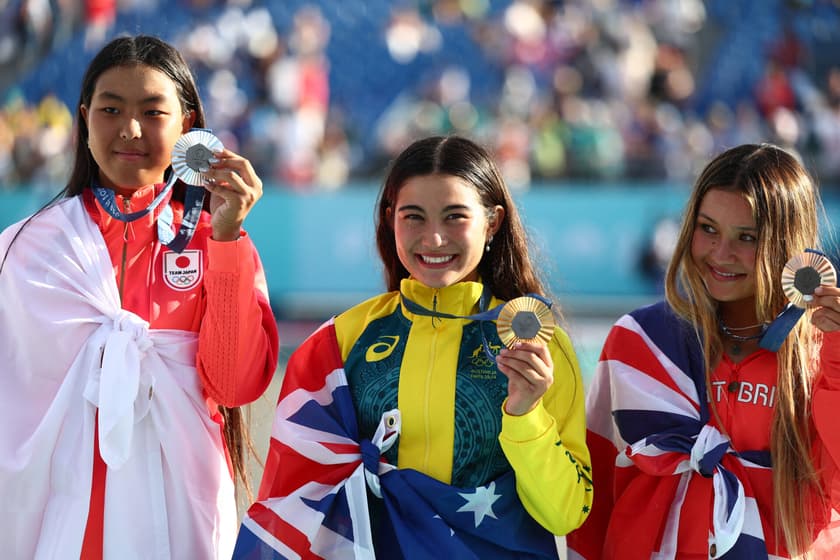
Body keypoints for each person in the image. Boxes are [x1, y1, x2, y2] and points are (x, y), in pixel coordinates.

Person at [234, 135, 593, 558]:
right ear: (391, 220)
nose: (434, 238)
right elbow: (295, 497)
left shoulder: (537, 344)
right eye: (414, 217)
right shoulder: (340, 342)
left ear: (492, 221)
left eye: (455, 217)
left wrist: (525, 414)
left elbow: (565, 514)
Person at [0, 35, 279, 558]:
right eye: (111, 110)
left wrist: (226, 239)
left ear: (187, 126)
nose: (130, 129)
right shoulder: (26, 249)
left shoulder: (217, 242)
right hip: (57, 518)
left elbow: (234, 384)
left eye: (153, 112)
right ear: (84, 119)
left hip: (178, 520)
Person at [566, 143, 840, 559]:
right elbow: (597, 489)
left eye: (747, 237)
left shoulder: (820, 353)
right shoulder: (640, 341)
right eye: (708, 228)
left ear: (787, 244)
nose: (721, 253)